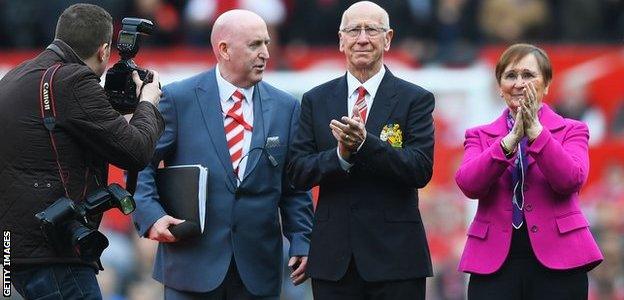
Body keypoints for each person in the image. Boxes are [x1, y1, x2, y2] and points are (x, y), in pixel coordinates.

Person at [131, 9, 314, 300]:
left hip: (258, 273)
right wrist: (152, 215)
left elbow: (294, 186)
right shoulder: (179, 99)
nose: (266, 53)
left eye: (266, 43)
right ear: (224, 50)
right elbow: (140, 161)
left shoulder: (286, 107)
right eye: (255, 45)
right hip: (190, 266)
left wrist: (302, 240)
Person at [0, 3, 164, 300]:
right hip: (53, 254)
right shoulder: (73, 79)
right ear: (103, 51)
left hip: (13, 252)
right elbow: (136, 150)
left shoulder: (18, 75)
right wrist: (148, 103)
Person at [287, 2, 435, 299]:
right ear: (341, 40)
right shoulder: (316, 100)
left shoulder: (415, 99)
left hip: (396, 260)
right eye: (354, 30)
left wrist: (367, 145)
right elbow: (297, 173)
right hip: (334, 261)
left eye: (372, 30)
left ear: (388, 38)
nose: (363, 38)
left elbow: (420, 169)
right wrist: (339, 156)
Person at [455, 43, 603, 299]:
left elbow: (570, 180)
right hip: (493, 261)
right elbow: (469, 184)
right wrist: (508, 143)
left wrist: (536, 133)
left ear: (546, 85)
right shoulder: (479, 135)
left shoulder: (572, 130)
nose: (519, 83)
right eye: (511, 76)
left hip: (561, 258)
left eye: (529, 75)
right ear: (500, 88)